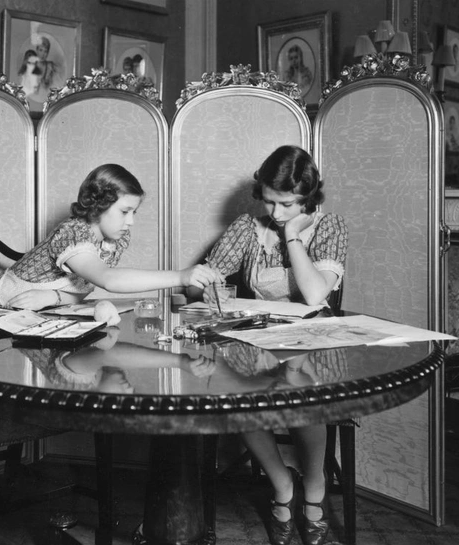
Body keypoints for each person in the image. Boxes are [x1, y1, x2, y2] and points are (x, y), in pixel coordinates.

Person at [191, 145, 348, 545]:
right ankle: (282, 484)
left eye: (287, 204)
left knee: (302, 387)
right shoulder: (248, 227)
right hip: (258, 340)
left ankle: (315, 487)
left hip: (312, 342)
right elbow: (208, 275)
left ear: (308, 197)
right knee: (234, 395)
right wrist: (205, 285)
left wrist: (292, 236)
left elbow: (315, 295)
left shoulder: (330, 227)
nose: (276, 213)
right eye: (269, 201)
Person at [0, 164, 222, 310]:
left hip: (36, 313)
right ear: (99, 205)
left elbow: (83, 288)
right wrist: (180, 276)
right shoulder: (72, 233)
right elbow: (108, 280)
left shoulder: (113, 241)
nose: (131, 221)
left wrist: (53, 296)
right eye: (124, 212)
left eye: (134, 212)